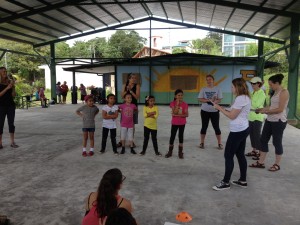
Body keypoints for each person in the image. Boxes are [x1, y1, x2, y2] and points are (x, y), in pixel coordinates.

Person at [212, 78, 251, 191]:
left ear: (238, 87)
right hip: (243, 129)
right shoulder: (243, 97)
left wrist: (218, 108)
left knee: (228, 155)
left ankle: (225, 182)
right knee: (239, 154)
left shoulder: (240, 98)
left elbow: (232, 116)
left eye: (232, 87)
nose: (231, 88)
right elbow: (232, 110)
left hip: (238, 131)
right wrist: (221, 106)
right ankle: (242, 180)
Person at [249, 74, 289, 172]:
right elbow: (271, 106)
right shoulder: (274, 92)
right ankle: (261, 162)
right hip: (270, 120)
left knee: (276, 142)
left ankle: (277, 164)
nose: (270, 86)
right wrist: (261, 109)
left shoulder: (284, 92)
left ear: (277, 83)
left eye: (271, 84)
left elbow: (280, 109)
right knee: (263, 140)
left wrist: (265, 111)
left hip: (279, 121)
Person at [198, 74, 223, 149]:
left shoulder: (218, 89)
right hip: (204, 111)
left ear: (213, 80)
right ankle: (202, 143)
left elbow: (220, 99)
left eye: (210, 79)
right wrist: (208, 101)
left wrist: (214, 102)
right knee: (204, 127)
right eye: (207, 79)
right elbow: (200, 99)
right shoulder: (203, 89)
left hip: (214, 111)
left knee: (216, 127)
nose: (208, 81)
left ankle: (219, 143)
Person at [245, 77, 266, 159]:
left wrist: (249, 100)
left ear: (259, 84)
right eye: (251, 84)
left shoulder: (262, 93)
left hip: (258, 117)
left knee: (257, 135)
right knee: (252, 135)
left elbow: (257, 105)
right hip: (251, 116)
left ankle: (260, 153)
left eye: (254, 84)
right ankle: (254, 151)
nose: (252, 85)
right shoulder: (252, 92)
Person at [117, 73, 140, 148]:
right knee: (123, 124)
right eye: (132, 78)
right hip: (125, 106)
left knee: (132, 124)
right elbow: (122, 95)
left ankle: (131, 141)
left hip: (133, 106)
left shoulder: (137, 86)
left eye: (135, 78)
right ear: (128, 79)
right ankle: (121, 141)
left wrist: (131, 91)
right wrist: (127, 89)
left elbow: (137, 97)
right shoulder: (124, 85)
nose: (134, 79)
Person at [165, 89, 189, 159]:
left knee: (181, 136)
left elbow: (186, 114)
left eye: (181, 95)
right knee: (172, 136)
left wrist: (176, 115)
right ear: (175, 96)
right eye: (178, 95)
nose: (180, 96)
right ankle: (170, 152)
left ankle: (180, 152)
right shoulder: (172, 103)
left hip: (182, 123)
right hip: (174, 123)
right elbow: (175, 112)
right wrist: (177, 104)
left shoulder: (185, 104)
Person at [0, 67, 18, 149]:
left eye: (5, 71)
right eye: (3, 71)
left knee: (11, 124)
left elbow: (13, 95)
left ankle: (12, 142)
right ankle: (0, 143)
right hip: (1, 106)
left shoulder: (9, 82)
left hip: (10, 105)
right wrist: (7, 88)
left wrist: (13, 87)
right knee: (0, 124)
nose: (5, 73)